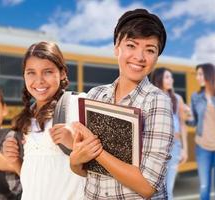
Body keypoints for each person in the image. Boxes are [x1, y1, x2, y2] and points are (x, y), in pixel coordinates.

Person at [69, 8, 174, 199]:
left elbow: (147, 186)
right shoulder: (95, 95)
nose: (140, 57)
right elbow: (85, 169)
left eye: (150, 50)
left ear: (156, 57)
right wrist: (75, 160)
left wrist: (97, 151)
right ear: (117, 47)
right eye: (131, 45)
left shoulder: (158, 101)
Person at [3, 41, 85, 200]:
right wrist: (14, 162)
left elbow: (101, 162)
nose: (39, 80)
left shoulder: (76, 104)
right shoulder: (27, 117)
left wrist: (74, 144)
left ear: (62, 73)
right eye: (31, 72)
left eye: (47, 72)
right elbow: (35, 177)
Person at [187, 63, 215, 200]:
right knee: (204, 187)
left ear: (209, 75)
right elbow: (194, 122)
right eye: (197, 74)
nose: (197, 77)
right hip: (202, 147)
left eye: (200, 74)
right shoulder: (195, 97)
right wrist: (188, 117)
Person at [150, 67, 188, 200]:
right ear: (159, 79)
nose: (171, 79)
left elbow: (182, 125)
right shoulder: (152, 97)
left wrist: (184, 149)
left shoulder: (177, 99)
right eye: (167, 77)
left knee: (169, 191)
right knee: (155, 189)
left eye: (171, 77)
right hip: (156, 147)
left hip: (175, 147)